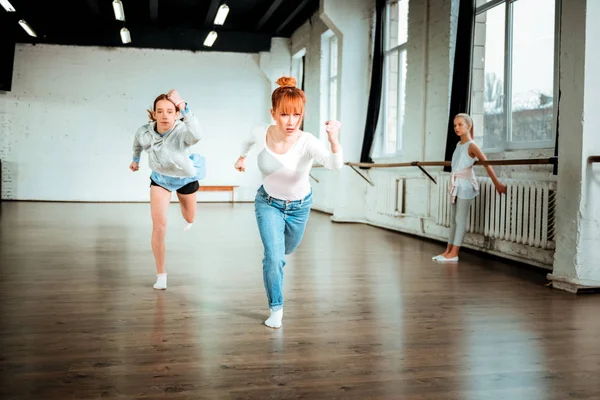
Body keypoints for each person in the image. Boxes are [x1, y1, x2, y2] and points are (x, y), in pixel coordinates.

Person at [234, 76, 343, 328]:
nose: (291, 121)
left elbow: (335, 165)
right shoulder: (261, 131)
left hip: (299, 207)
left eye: (297, 115)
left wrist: (334, 140)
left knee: (286, 250)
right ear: (273, 113)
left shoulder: (307, 142)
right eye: (285, 115)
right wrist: (242, 157)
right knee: (273, 257)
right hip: (267, 203)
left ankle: (278, 259)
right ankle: (276, 308)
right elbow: (248, 141)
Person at [129, 89, 205, 290]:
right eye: (160, 111)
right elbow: (137, 144)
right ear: (153, 114)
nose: (164, 116)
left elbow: (197, 135)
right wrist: (135, 161)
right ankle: (161, 274)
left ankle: (187, 213)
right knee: (159, 226)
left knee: (189, 217)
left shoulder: (182, 131)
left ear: (176, 114)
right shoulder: (144, 131)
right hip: (160, 180)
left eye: (170, 111)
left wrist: (184, 106)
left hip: (185, 179)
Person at [433, 113, 507, 263]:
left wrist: (497, 184)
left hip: (465, 185)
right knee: (453, 220)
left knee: (460, 219)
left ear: (469, 126)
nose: (457, 128)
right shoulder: (458, 145)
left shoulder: (472, 145)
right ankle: (448, 251)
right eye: (455, 125)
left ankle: (454, 253)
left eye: (460, 124)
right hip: (455, 184)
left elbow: (486, 164)